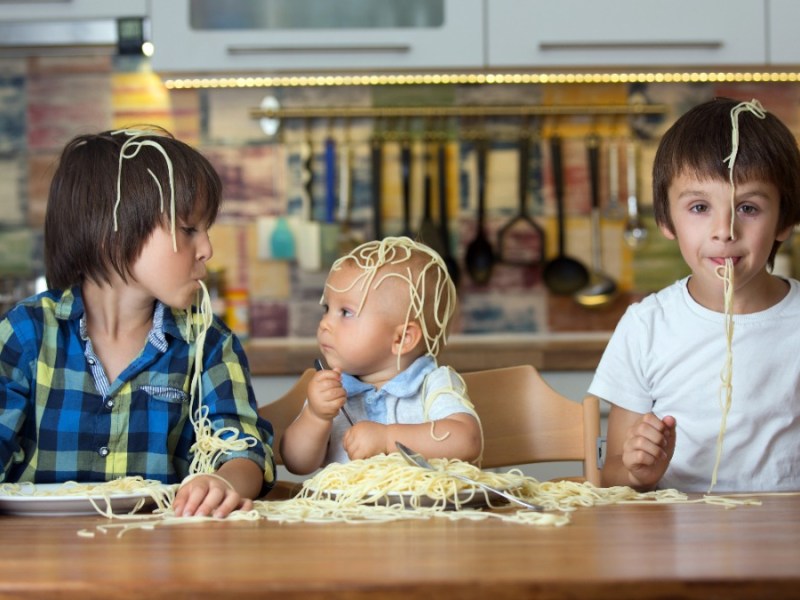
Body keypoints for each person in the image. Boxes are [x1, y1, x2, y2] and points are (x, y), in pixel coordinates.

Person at [0, 128, 274, 517]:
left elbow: (244, 449)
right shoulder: (27, 333)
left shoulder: (206, 342)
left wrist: (224, 482)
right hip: (36, 557)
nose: (207, 249)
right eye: (189, 229)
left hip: (161, 554)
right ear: (113, 233)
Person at [589, 97, 800, 493]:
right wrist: (638, 472)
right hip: (679, 540)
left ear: (785, 221)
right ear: (667, 220)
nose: (724, 230)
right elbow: (612, 473)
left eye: (749, 207)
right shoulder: (646, 326)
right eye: (700, 206)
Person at [280, 236, 482, 475]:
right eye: (327, 309)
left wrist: (388, 439)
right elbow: (296, 463)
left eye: (345, 312)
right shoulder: (331, 389)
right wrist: (315, 416)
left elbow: (467, 440)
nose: (325, 323)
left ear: (402, 339)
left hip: (424, 509)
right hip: (345, 511)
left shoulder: (433, 383)